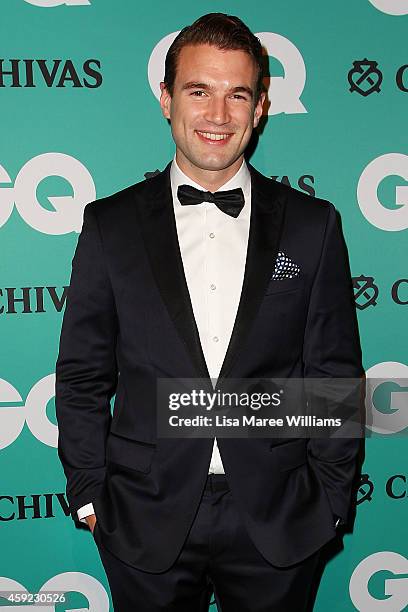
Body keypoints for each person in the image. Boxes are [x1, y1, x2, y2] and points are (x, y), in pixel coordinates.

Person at [55, 12, 364, 611]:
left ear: (260, 107)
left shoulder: (311, 225)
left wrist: (329, 500)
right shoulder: (110, 225)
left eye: (236, 94)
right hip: (143, 516)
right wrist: (91, 494)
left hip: (280, 519)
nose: (218, 116)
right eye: (199, 91)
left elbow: (333, 375)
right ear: (167, 99)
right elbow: (83, 375)